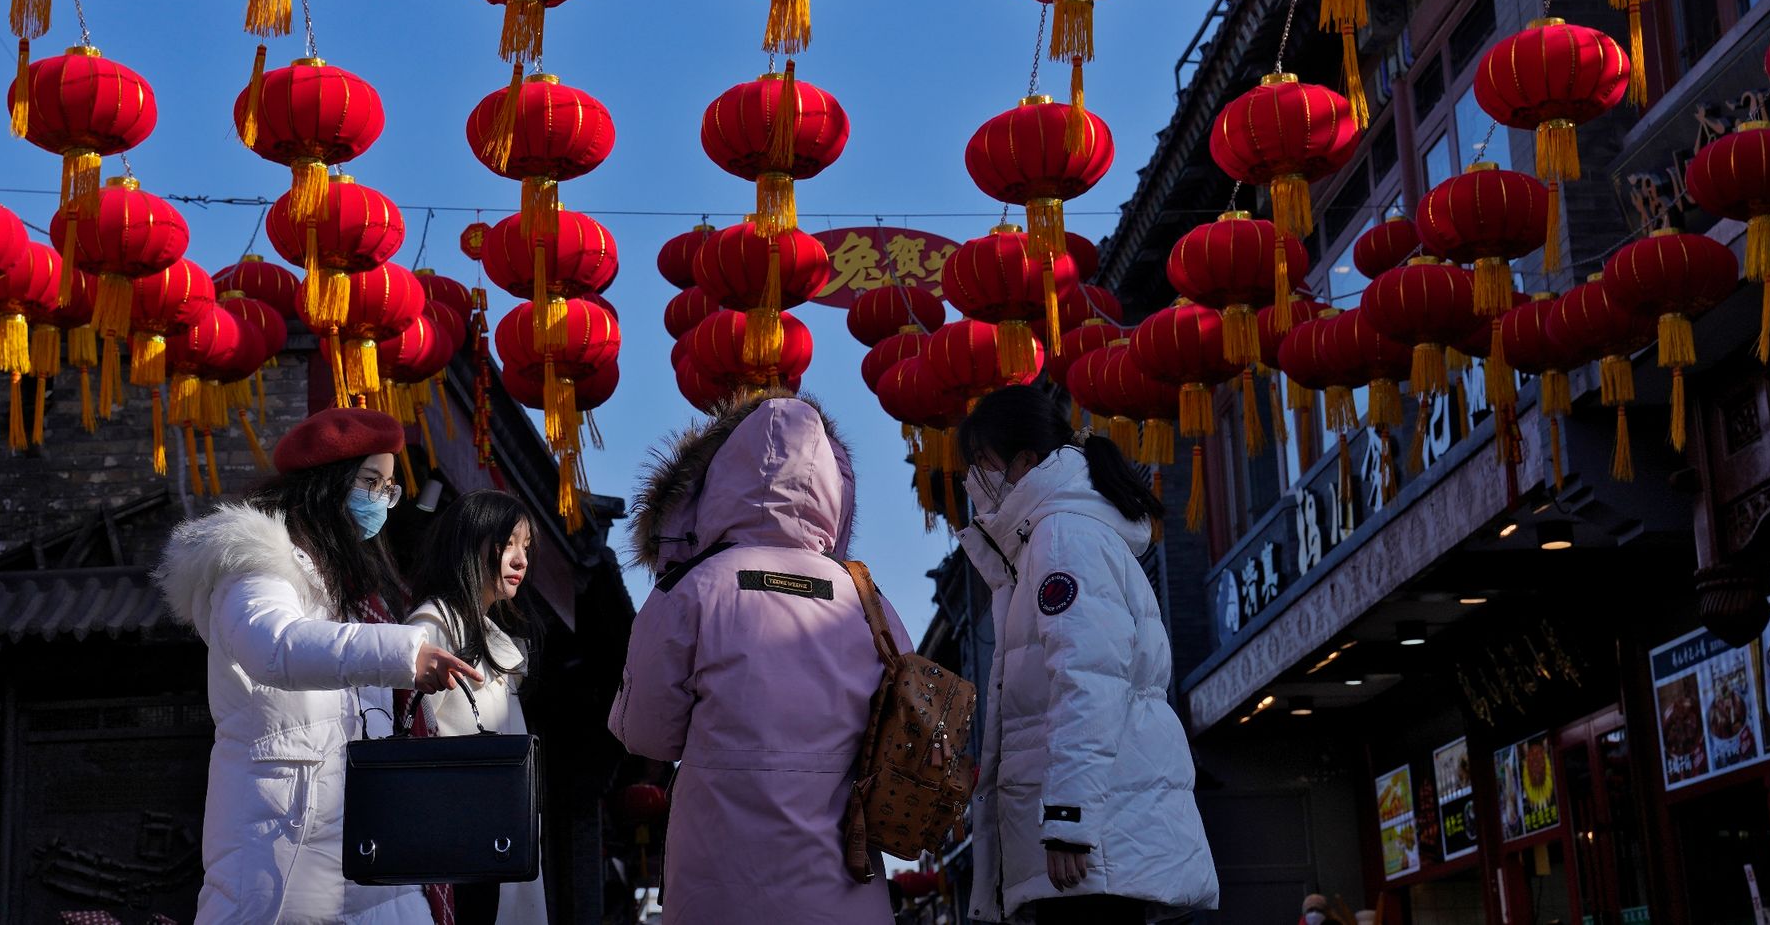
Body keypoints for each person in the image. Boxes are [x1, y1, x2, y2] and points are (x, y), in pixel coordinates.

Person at [155, 406, 477, 925]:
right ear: (327, 484)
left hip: (368, 853)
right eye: (370, 481)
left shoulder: (355, 595)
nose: (380, 500)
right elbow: (275, 646)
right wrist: (401, 653)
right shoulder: (257, 564)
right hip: (282, 846)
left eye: (389, 488)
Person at [611, 393, 910, 925]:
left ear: (721, 481)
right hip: (844, 881)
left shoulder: (690, 589)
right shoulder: (868, 599)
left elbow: (646, 736)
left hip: (719, 882)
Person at [958, 385, 1219, 924]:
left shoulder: (1061, 538)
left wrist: (1068, 820)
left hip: (1091, 849)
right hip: (1102, 842)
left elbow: (1089, 683)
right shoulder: (1053, 537)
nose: (974, 482)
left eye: (983, 464)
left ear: (1024, 462)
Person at [407, 489, 547, 925]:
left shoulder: (482, 632)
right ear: (471, 544)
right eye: (507, 545)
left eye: (525, 548)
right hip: (458, 837)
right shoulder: (433, 627)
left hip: (492, 833)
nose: (521, 560)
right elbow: (414, 736)